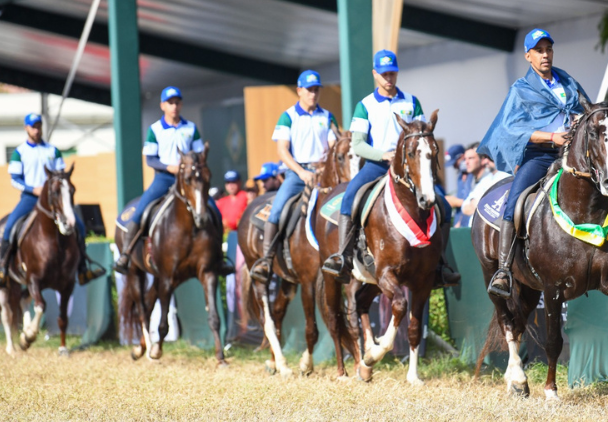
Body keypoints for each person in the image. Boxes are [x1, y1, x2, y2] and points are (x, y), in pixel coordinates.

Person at [478, 28, 608, 297]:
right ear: (528, 56)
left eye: (548, 49)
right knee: (516, 200)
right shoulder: (520, 90)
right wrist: (550, 137)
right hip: (539, 156)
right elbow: (510, 129)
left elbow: (588, 113)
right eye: (539, 50)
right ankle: (503, 270)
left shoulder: (567, 81)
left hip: (574, 155)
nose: (545, 55)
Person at [321, 49, 460, 287]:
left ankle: (440, 264)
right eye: (384, 74)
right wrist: (382, 154)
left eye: (392, 73)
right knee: (349, 199)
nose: (389, 78)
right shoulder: (364, 105)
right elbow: (357, 144)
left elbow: (423, 131)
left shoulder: (411, 101)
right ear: (375, 74)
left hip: (410, 169)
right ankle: (343, 258)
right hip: (376, 166)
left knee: (444, 207)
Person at [113, 87, 234, 276]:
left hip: (188, 180)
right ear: (163, 106)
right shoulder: (155, 129)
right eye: (170, 103)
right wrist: (169, 167)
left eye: (177, 102)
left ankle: (219, 257)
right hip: (164, 178)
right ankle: (126, 254)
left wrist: (191, 169)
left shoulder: (190, 128)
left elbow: (201, 155)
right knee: (141, 210)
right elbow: (150, 159)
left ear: (181, 104)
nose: (174, 106)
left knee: (214, 210)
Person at [0, 113, 105, 285]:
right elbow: (14, 179)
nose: (36, 130)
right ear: (26, 128)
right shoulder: (19, 152)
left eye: (39, 126)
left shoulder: (53, 150)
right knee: (9, 228)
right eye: (33, 126)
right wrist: (32, 189)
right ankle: (3, 270)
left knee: (78, 226)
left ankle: (82, 269)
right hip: (29, 198)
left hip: (53, 200)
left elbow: (61, 174)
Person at [249, 70, 337, 283]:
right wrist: (301, 172)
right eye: (309, 90)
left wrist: (325, 168)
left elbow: (334, 147)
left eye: (316, 90)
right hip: (297, 174)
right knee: (277, 210)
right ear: (299, 91)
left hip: (324, 174)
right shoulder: (288, 116)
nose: (313, 94)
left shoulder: (327, 117)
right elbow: (282, 150)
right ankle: (266, 260)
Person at [459, 144, 511, 226]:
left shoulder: (506, 177)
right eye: (485, 157)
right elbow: (465, 206)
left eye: (490, 158)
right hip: (476, 231)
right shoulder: (486, 179)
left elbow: (490, 208)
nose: (486, 161)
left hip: (492, 231)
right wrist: (478, 204)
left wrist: (477, 204)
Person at [443, 144, 470, 227]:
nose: (454, 166)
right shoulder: (460, 177)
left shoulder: (473, 176)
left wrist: (456, 202)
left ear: (462, 157)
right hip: (459, 221)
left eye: (455, 163)